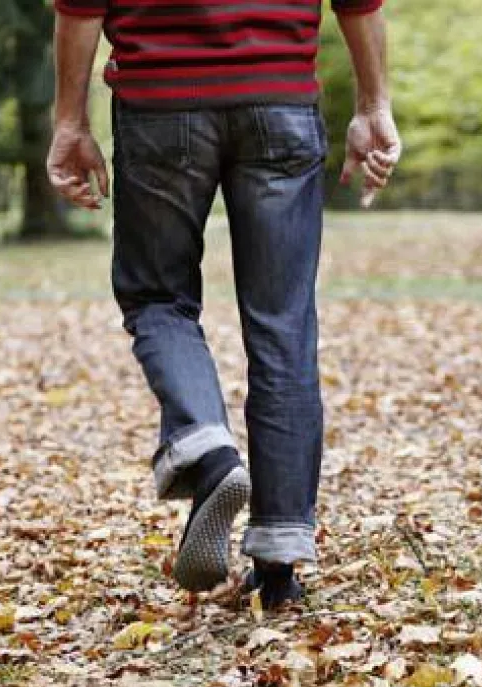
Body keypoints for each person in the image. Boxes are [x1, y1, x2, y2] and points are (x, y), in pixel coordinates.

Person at [48, 0, 399, 610]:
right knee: (283, 322)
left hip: (159, 106)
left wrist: (70, 124)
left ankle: (205, 449)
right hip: (279, 103)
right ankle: (280, 559)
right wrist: (373, 106)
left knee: (158, 298)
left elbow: (80, 9)